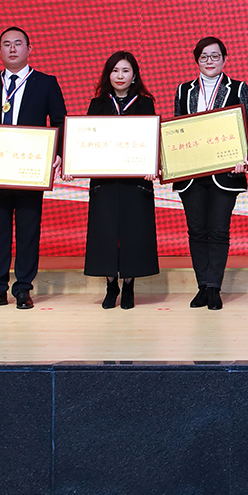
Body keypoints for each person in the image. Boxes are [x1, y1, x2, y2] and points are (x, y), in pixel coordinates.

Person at [0, 26, 68, 310]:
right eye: (6, 44)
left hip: (30, 170)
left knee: (28, 231)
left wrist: (58, 153)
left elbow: (60, 120)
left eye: (18, 43)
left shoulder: (46, 82)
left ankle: (23, 289)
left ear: (29, 49)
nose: (13, 48)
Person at [172, 37, 248, 311]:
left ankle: (215, 287)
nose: (209, 61)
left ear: (224, 59)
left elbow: (246, 126)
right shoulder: (184, 90)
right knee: (196, 231)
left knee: (218, 230)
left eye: (215, 56)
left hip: (225, 173)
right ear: (197, 60)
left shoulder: (238, 88)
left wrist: (243, 157)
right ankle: (202, 286)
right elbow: (177, 130)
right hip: (191, 173)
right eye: (204, 56)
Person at [85, 51, 161, 310]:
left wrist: (152, 165)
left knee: (134, 232)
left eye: (125, 70)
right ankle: (111, 285)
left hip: (135, 181)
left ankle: (129, 284)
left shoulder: (145, 104)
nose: (120, 76)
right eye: (115, 70)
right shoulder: (97, 104)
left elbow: (151, 140)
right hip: (104, 181)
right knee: (104, 233)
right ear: (108, 75)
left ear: (134, 75)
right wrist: (74, 164)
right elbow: (85, 141)